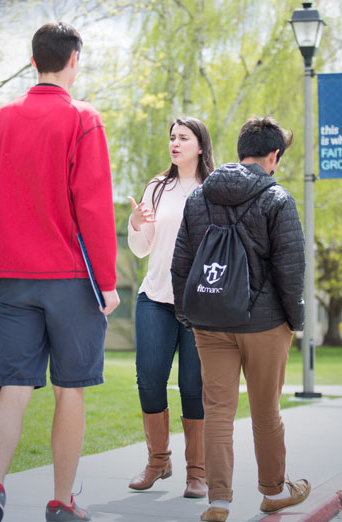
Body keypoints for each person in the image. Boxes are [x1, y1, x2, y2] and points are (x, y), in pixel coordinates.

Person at [0, 22, 119, 522]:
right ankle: (60, 501)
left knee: (12, 385)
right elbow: (94, 207)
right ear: (74, 60)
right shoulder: (83, 119)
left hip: (11, 275)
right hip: (70, 279)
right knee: (68, 388)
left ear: (33, 60)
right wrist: (106, 281)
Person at [171, 117, 309, 522]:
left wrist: (187, 314)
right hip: (264, 325)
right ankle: (274, 492)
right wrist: (294, 320)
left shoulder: (199, 198)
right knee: (266, 410)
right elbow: (291, 269)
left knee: (217, 411)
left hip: (210, 323)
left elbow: (181, 264)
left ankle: (218, 503)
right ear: (273, 157)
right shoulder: (278, 199)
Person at [127, 117, 214, 498]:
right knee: (148, 379)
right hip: (155, 299)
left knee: (193, 388)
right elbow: (141, 248)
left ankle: (197, 472)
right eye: (172, 138)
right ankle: (158, 460)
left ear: (200, 145)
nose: (175, 143)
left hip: (199, 306)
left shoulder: (213, 189)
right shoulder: (157, 188)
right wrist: (134, 223)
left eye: (183, 138)